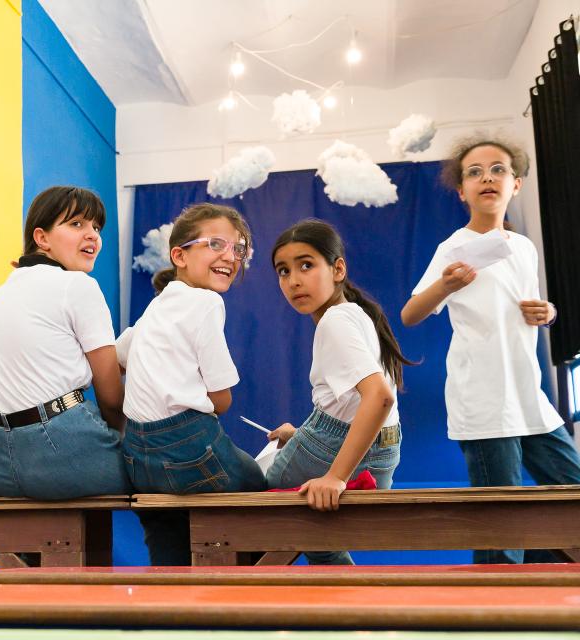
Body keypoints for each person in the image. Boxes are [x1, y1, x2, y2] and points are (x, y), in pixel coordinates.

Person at [401, 134, 580, 564]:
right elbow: (410, 314)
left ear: (515, 184)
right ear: (461, 190)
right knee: (503, 526)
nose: (487, 178)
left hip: (528, 396)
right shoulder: (453, 248)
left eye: (498, 169)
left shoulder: (523, 247)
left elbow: (528, 308)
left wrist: (549, 312)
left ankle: (537, 595)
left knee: (571, 491)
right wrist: (445, 284)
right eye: (475, 172)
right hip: (483, 401)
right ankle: (495, 618)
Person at [117, 203, 267, 566]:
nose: (230, 257)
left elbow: (118, 354)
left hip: (137, 454)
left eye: (239, 249)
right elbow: (222, 399)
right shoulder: (206, 302)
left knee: (166, 529)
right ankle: (244, 593)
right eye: (216, 244)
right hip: (188, 444)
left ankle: (170, 598)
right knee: (261, 493)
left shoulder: (158, 305)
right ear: (179, 255)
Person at [0, 186, 131, 501]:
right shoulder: (78, 285)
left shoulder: (0, 292)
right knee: (165, 475)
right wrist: (122, 442)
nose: (92, 235)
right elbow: (111, 398)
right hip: (61, 453)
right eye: (77, 224)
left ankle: (33, 554)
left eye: (96, 227)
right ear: (42, 238)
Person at [268, 218, 409, 565]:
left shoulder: (334, 321)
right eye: (283, 271)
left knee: (244, 498)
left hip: (342, 452)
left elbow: (380, 396)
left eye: (306, 265)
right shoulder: (355, 314)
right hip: (384, 452)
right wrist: (301, 435)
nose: (294, 280)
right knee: (318, 537)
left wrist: (335, 477)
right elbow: (349, 406)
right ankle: (353, 612)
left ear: (338, 269)